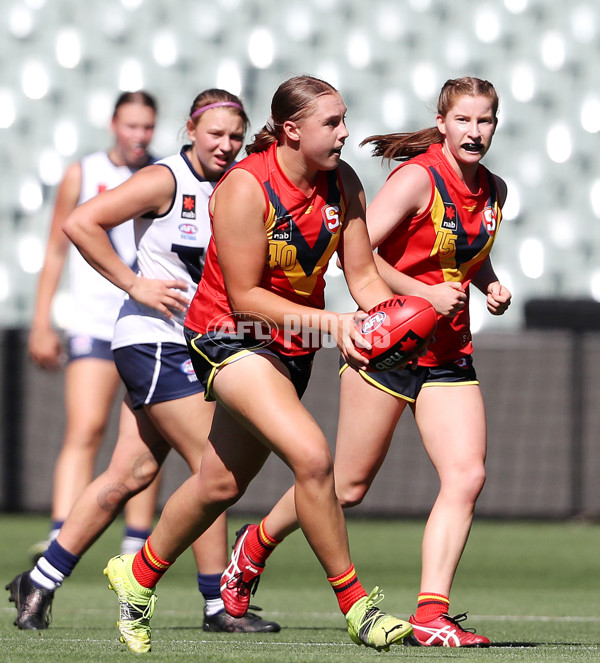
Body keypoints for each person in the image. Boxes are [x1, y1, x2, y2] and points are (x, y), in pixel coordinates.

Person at [96, 75, 415, 654]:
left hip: (290, 346)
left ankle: (137, 575)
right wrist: (337, 325)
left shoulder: (343, 183)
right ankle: (358, 608)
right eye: (332, 123)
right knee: (314, 459)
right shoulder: (245, 186)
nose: (345, 133)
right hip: (228, 334)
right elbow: (245, 298)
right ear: (292, 131)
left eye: (344, 120)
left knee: (219, 483)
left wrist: (394, 318)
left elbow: (364, 277)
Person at [217, 76, 512, 648]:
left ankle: (431, 612)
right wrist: (422, 298)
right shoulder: (416, 179)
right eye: (465, 121)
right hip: (391, 345)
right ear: (444, 125)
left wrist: (491, 284)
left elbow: (466, 256)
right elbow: (363, 261)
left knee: (467, 475)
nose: (476, 132)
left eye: (486, 121)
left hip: (450, 350)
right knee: (344, 488)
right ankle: (253, 547)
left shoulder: (497, 189)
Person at [6, 89, 279, 638]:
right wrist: (134, 283)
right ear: (191, 130)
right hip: (154, 342)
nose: (225, 145)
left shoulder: (241, 181)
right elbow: (81, 223)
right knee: (215, 466)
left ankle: (39, 580)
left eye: (234, 135)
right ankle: (215, 604)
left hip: (202, 346)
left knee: (131, 473)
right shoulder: (166, 179)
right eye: (215, 134)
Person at [27, 90, 162, 561]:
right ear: (113, 124)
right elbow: (55, 250)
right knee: (85, 427)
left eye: (147, 126)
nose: (139, 136)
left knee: (149, 432)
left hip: (148, 321)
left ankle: (136, 541)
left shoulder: (162, 174)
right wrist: (42, 321)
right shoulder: (83, 173)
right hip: (93, 317)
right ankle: (61, 531)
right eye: (131, 125)